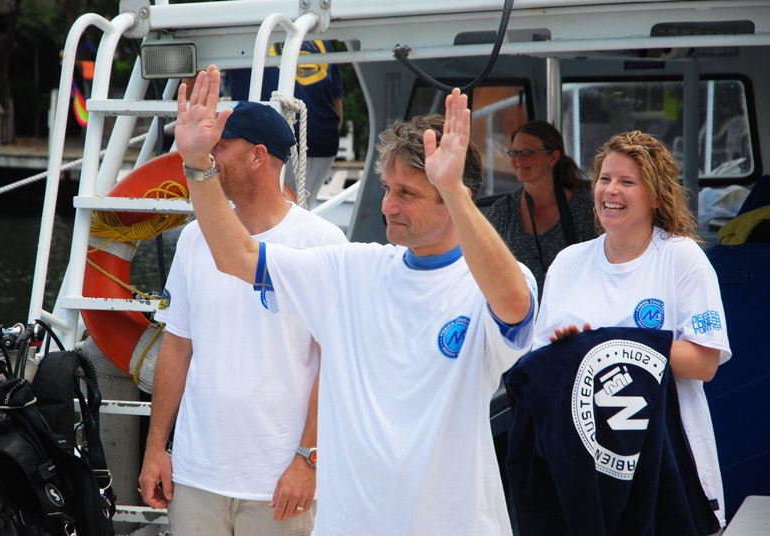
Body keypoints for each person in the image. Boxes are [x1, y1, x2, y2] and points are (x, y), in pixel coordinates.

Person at [176, 65, 538, 535]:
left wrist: (453, 191)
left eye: (407, 193)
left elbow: (514, 305)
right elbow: (235, 254)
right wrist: (198, 166)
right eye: (388, 189)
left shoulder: (489, 283)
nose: (387, 206)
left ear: (454, 198)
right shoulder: (350, 270)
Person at [138, 100, 347, 535]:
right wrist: (156, 447)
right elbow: (177, 345)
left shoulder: (323, 242)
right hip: (196, 477)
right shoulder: (196, 239)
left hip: (279, 484)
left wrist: (308, 460)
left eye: (222, 144)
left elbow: (336, 363)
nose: (208, 154)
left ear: (257, 156)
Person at [533, 130, 731, 529]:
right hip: (587, 471)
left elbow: (705, 361)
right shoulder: (567, 263)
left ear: (656, 195)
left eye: (627, 182)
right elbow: (537, 368)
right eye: (605, 179)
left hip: (670, 472)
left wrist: (607, 343)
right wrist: (566, 353)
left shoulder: (682, 259)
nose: (611, 190)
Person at [486, 120, 597, 297]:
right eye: (514, 152)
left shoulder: (584, 213)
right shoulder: (502, 212)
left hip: (570, 320)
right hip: (518, 318)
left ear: (553, 157)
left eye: (528, 152)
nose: (519, 159)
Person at [230, 39, 343, 209]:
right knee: (297, 212)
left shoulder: (247, 29)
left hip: (262, 140)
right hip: (321, 138)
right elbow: (337, 108)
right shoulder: (321, 40)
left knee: (258, 213)